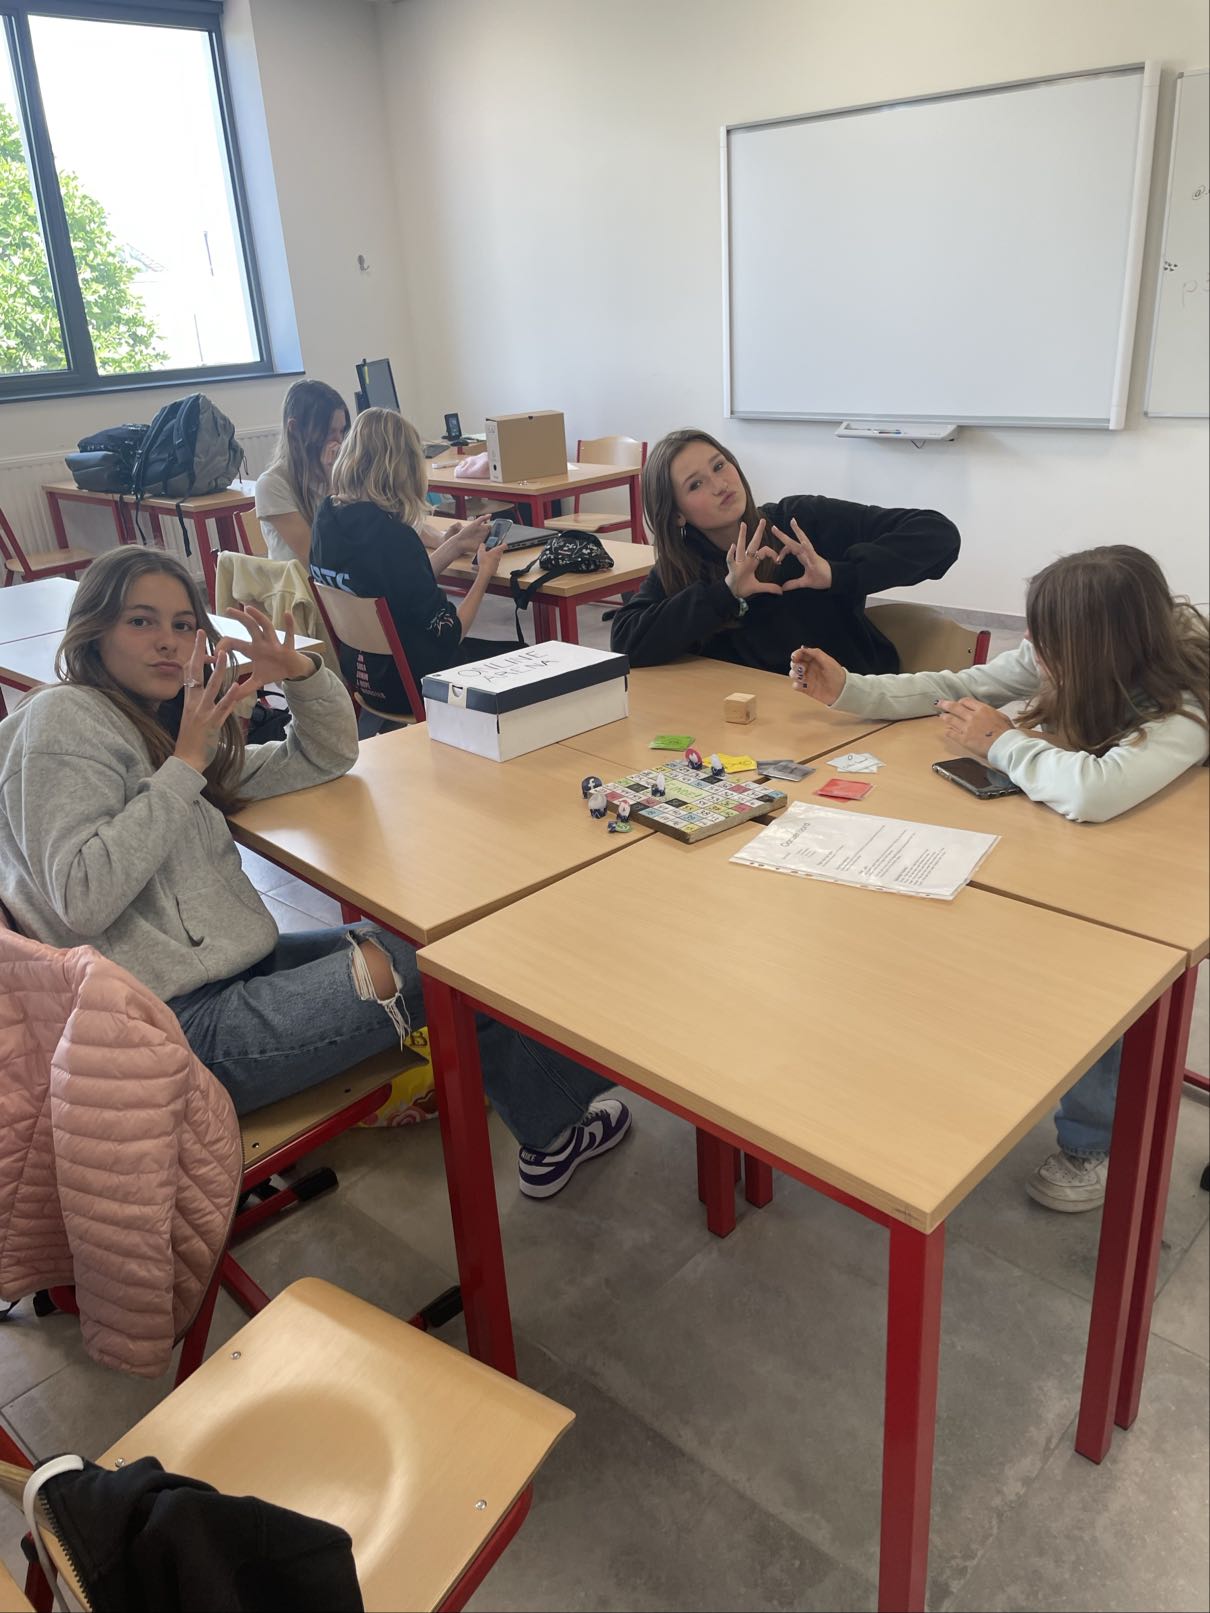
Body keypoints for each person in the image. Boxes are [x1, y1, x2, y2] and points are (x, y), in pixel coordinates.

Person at [0, 548, 630, 1199]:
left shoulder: (160, 732)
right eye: (140, 620)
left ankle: (546, 1109)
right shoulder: (65, 719)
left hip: (230, 974)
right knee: (451, 965)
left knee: (449, 941)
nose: (168, 640)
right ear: (93, 630)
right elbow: (82, 894)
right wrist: (186, 766)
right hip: (169, 1035)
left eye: (184, 624)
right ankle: (557, 1129)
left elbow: (324, 756)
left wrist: (300, 673)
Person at [790, 545, 1210, 1211]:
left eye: (1048, 643)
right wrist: (851, 689)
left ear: (1098, 645)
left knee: (1111, 979)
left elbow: (1097, 791)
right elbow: (962, 686)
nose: (1034, 655)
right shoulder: (1068, 648)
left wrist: (1001, 743)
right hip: (1093, 835)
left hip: (1165, 859)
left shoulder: (1184, 701)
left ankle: (1092, 1143)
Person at [609, 428, 960, 673]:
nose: (719, 485)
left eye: (719, 465)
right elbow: (627, 641)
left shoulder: (799, 520)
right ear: (676, 514)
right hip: (750, 722)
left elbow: (937, 534)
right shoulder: (683, 565)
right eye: (696, 484)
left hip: (848, 710)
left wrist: (838, 574)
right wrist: (725, 594)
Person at [310, 408, 522, 723]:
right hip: (416, 686)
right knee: (528, 656)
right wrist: (484, 576)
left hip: (365, 678)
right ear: (403, 468)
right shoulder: (394, 537)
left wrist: (454, 545)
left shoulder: (326, 519)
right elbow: (452, 634)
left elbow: (396, 586)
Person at [255, 380, 351, 563]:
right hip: (303, 580)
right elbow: (319, 557)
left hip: (342, 576)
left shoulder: (337, 470)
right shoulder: (272, 484)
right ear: (294, 429)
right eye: (329, 431)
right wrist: (333, 483)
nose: (339, 441)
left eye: (342, 431)